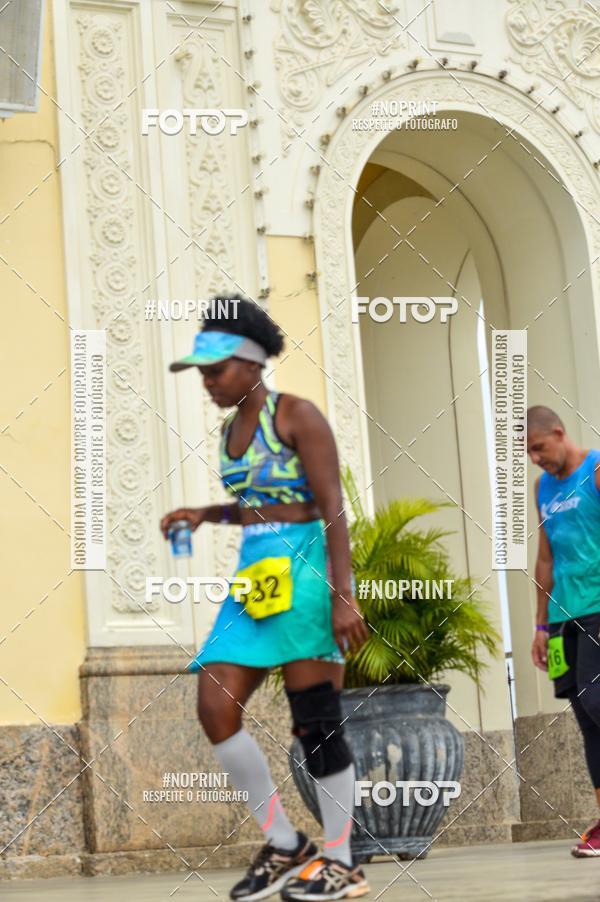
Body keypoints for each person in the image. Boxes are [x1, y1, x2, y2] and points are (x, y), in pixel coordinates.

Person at [161, 294, 370, 900]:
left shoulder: (296, 415)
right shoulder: (230, 430)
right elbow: (261, 505)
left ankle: (342, 861)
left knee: (316, 724)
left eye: (216, 369)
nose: (207, 381)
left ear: (252, 364)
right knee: (214, 706)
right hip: (255, 579)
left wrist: (343, 594)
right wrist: (208, 512)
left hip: (306, 574)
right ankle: (285, 844)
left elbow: (329, 506)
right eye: (201, 371)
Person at [527, 405, 600, 857]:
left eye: (539, 447)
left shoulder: (595, 470)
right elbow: (547, 558)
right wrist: (539, 624)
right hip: (562, 618)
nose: (535, 458)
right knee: (586, 718)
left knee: (596, 699)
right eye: (529, 452)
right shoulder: (543, 488)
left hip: (598, 608)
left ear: (559, 433)